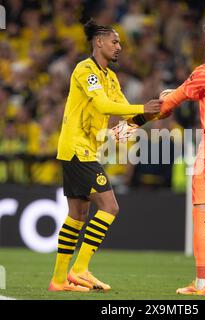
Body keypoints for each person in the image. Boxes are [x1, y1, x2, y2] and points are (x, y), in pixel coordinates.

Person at [115, 16, 205, 296]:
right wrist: (183, 93)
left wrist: (132, 123)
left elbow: (167, 106)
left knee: (202, 211)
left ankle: (201, 284)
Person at [48, 19, 161, 292]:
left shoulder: (110, 77)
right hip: (77, 148)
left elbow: (123, 111)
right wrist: (142, 107)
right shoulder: (85, 70)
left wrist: (149, 114)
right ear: (98, 42)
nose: (119, 47)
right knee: (110, 207)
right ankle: (80, 268)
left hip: (86, 149)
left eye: (119, 42)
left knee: (78, 214)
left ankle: (59, 280)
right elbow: (102, 104)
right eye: (115, 41)